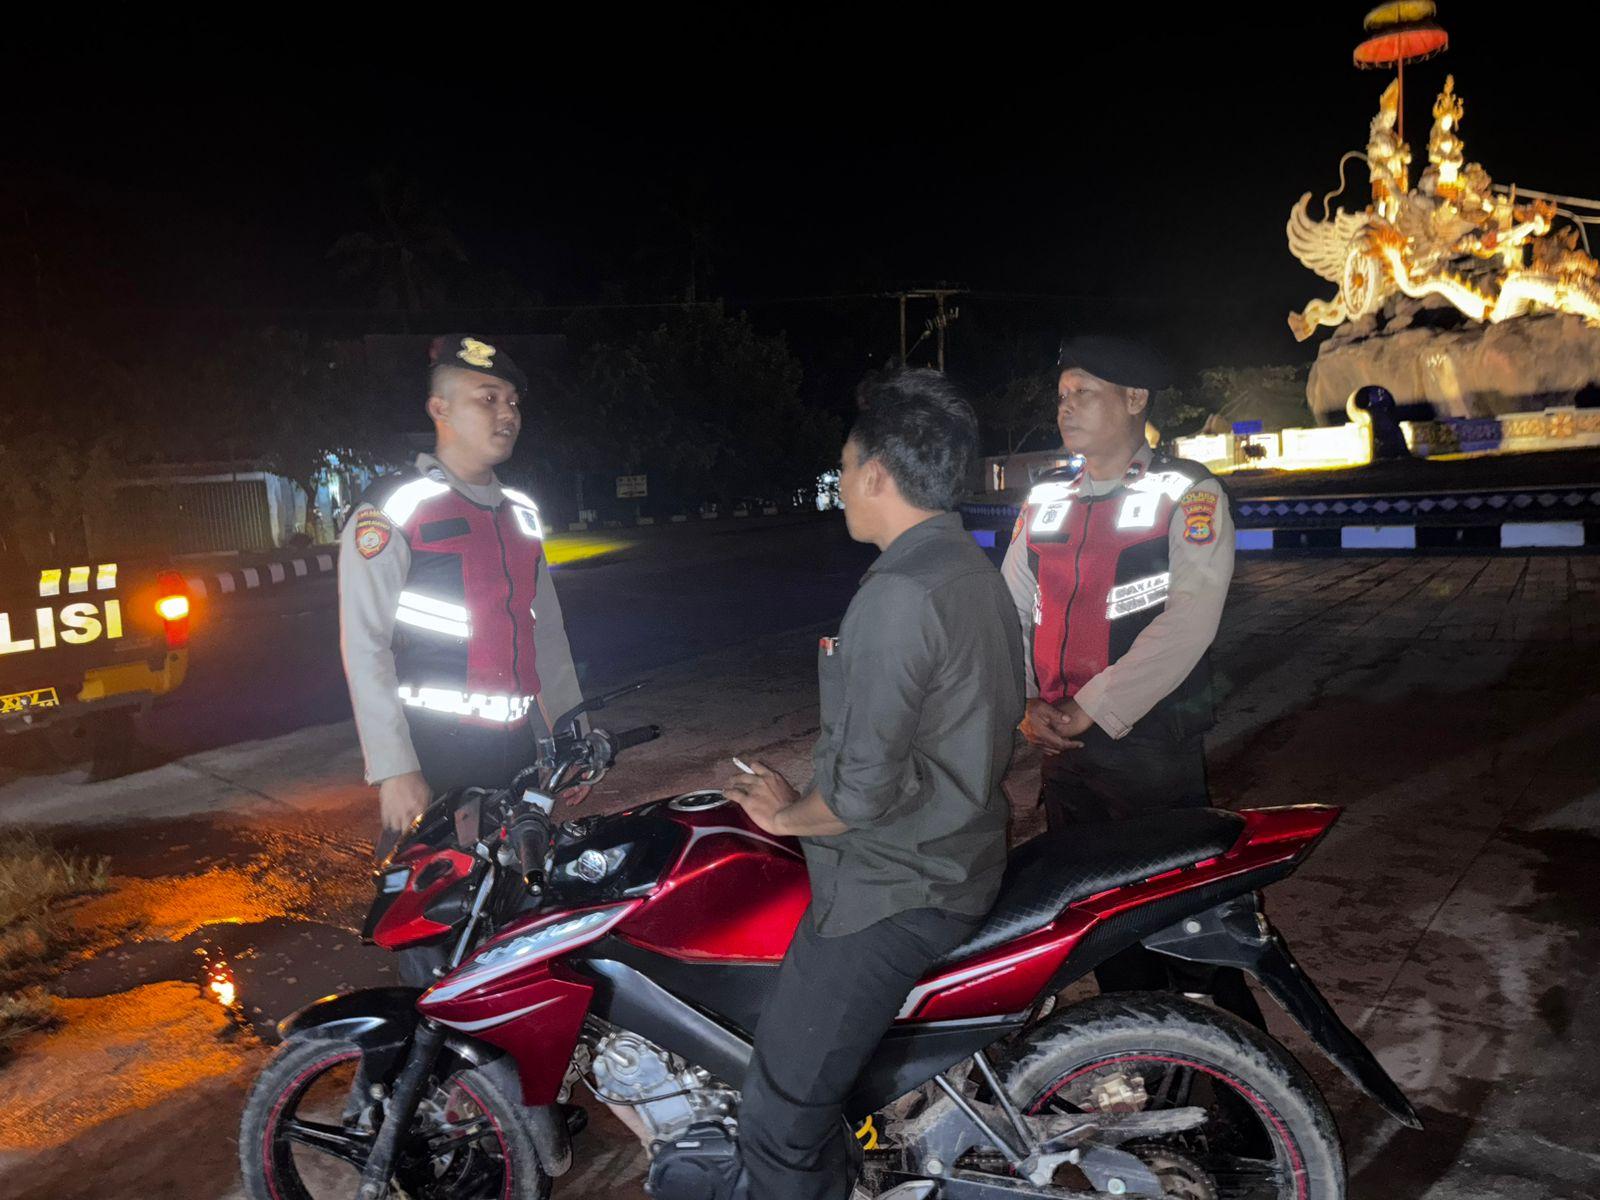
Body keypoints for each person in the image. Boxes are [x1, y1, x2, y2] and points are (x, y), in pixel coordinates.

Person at [724, 368, 1026, 1200]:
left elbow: (858, 798)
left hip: (894, 886)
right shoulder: (970, 570)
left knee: (778, 1121)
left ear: (878, 475)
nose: (841, 485)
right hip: (956, 855)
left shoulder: (898, 593)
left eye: (845, 468)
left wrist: (786, 815)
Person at [1000, 335, 1263, 1024]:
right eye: (1062, 395)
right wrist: (1023, 701)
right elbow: (1011, 608)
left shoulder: (1187, 491)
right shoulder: (1045, 496)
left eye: (1084, 393)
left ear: (1136, 399)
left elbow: (1190, 619)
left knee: (1185, 920)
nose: (1066, 407)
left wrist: (1093, 705)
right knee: (1098, 921)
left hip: (1149, 747)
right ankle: (1133, 1050)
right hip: (1061, 749)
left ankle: (1230, 1071)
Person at [339, 334, 585, 867]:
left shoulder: (521, 513)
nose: (508, 413)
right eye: (488, 398)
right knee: (434, 908)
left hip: (518, 751)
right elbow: (365, 643)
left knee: (522, 894)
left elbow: (547, 633)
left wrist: (571, 735)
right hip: (435, 754)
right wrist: (395, 767)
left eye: (513, 401)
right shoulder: (395, 507)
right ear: (440, 409)